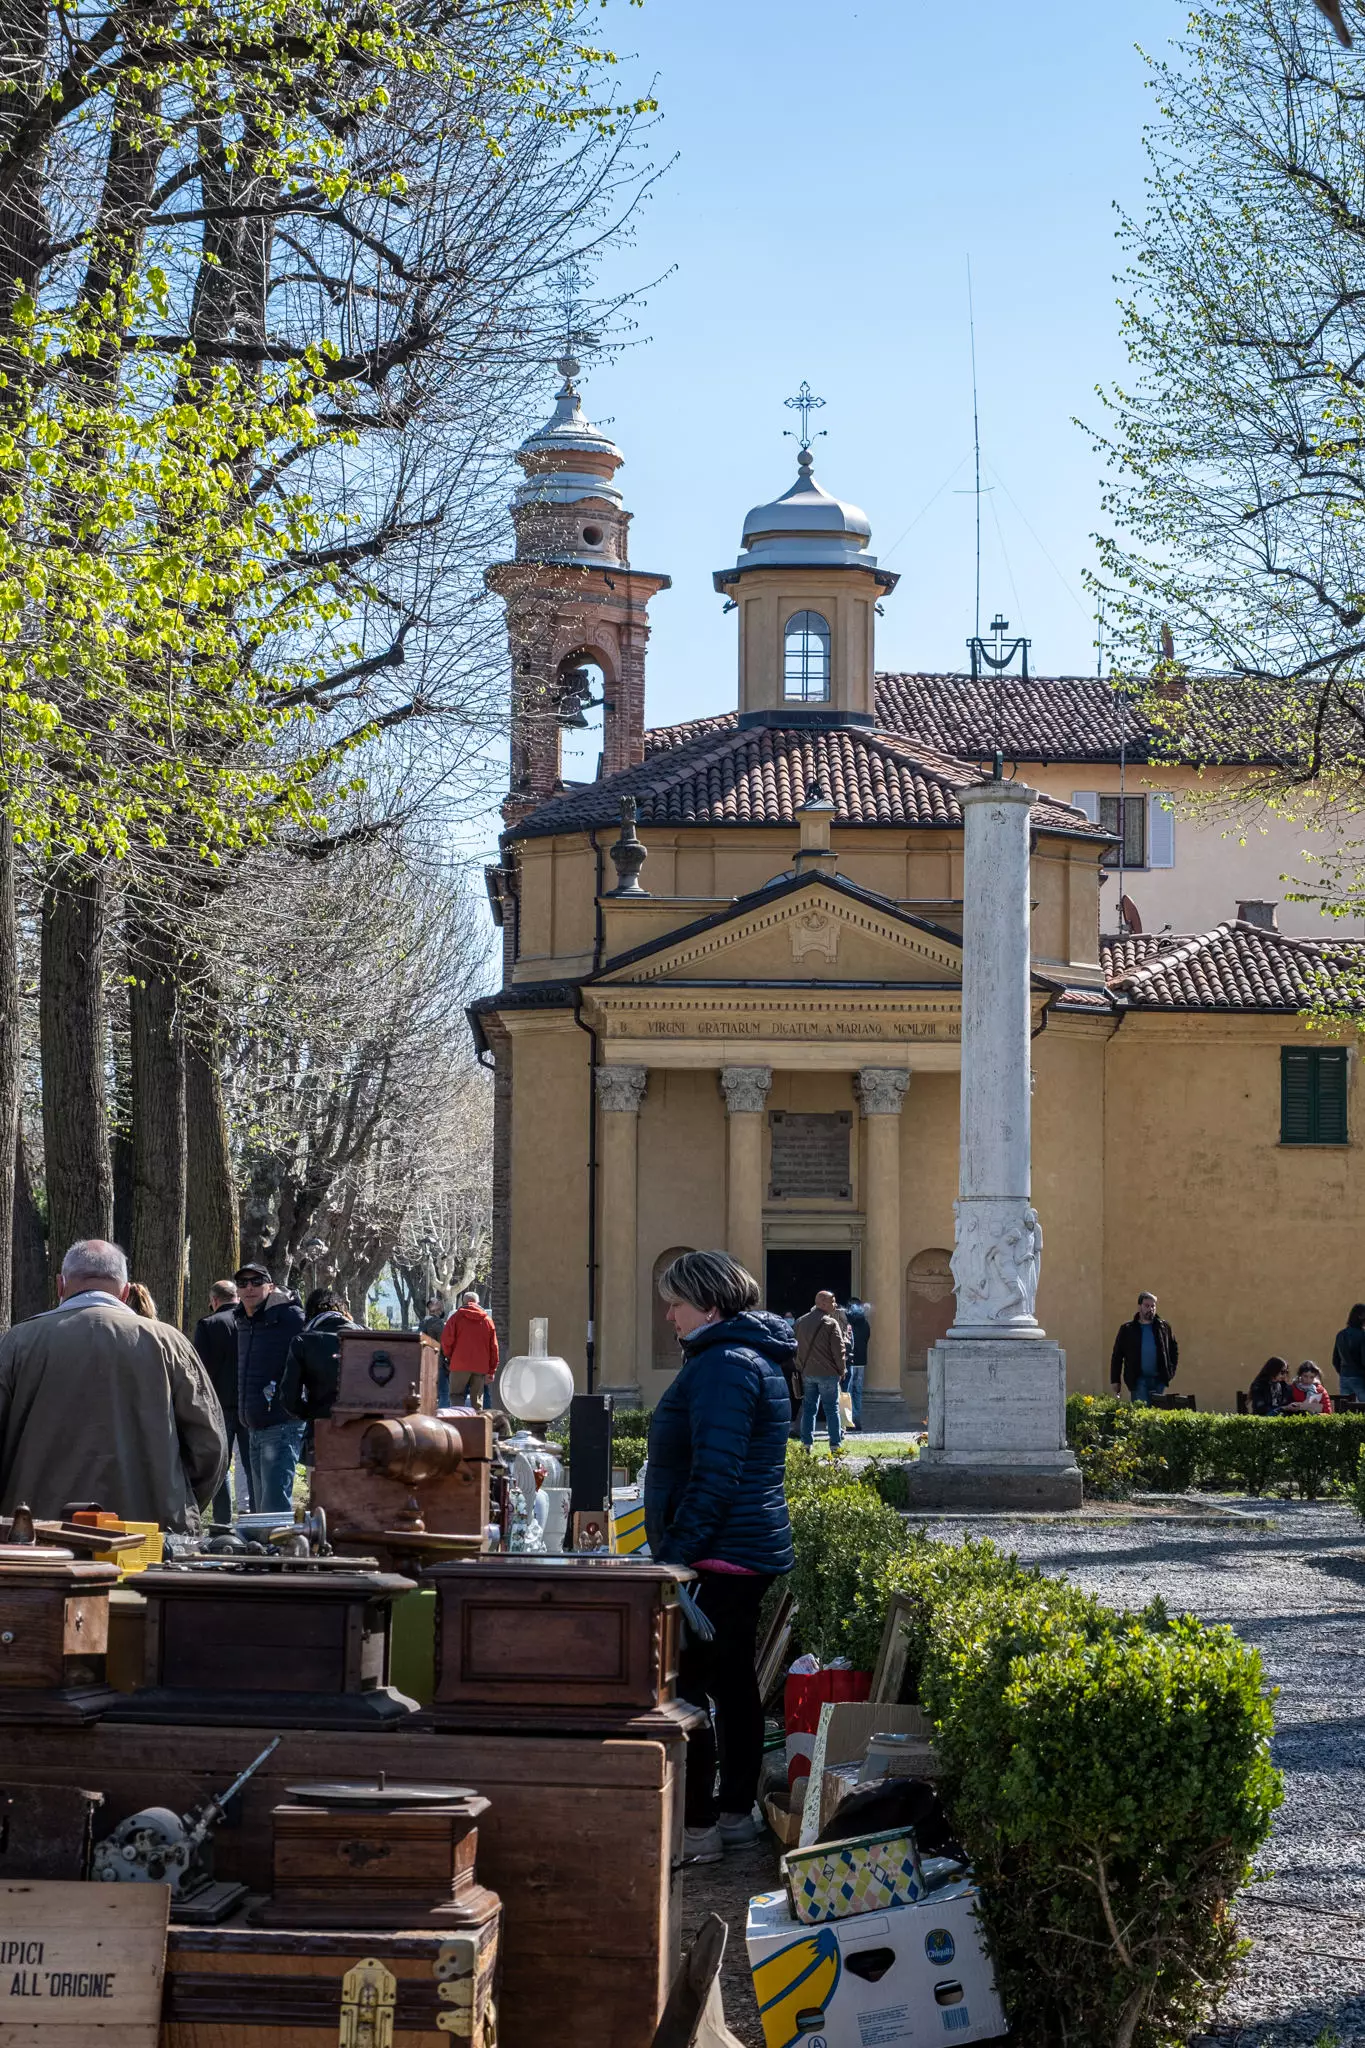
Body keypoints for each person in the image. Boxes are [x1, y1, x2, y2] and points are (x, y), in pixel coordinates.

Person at [645, 1250, 795, 1867]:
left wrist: (678, 1557)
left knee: (690, 1690)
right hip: (742, 1550)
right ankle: (732, 1815)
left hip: (718, 1555)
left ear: (709, 1305)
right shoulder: (744, 1356)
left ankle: (698, 1827)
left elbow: (716, 1473)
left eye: (676, 1304)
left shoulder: (723, 1365)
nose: (669, 1316)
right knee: (732, 1686)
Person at [0, 1239, 226, 1530]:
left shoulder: (17, 1343)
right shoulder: (167, 1343)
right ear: (126, 1291)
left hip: (36, 1531)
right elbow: (210, 1444)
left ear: (60, 1285)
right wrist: (179, 1501)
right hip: (150, 1531)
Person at [234, 1261, 306, 1513]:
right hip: (253, 1424)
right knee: (261, 1505)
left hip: (281, 1422)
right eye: (243, 1283)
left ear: (270, 1286)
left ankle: (279, 1549)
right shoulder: (242, 1319)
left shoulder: (290, 1317)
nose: (249, 1288)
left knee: (273, 1505)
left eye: (256, 1282)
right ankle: (266, 1547)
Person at [193, 1279, 250, 1522]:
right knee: (252, 1466)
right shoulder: (251, 1320)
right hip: (249, 1403)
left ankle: (222, 1521)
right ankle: (255, 1520)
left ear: (214, 1300)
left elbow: (200, 1370)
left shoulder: (208, 1324)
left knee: (220, 1467)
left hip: (219, 1405)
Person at [280, 1289, 354, 1429]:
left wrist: (310, 1413)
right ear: (343, 1309)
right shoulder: (365, 1334)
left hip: (321, 1427)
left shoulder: (303, 1341)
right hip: (364, 1429)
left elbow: (289, 1397)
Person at [793, 1289, 847, 1451]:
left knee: (809, 1409)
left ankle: (806, 1443)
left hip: (808, 1372)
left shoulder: (800, 1322)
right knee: (831, 1409)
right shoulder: (831, 1323)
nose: (835, 1304)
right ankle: (835, 1445)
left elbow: (795, 1347)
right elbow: (839, 1350)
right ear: (822, 1303)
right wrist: (842, 1370)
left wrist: (801, 1367)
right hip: (828, 1373)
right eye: (832, 1301)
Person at [1110, 1291, 1178, 1405]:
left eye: (1153, 1306)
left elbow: (1173, 1350)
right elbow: (1117, 1356)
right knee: (1142, 1416)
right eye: (1147, 1306)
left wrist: (1170, 1372)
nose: (1150, 1309)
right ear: (1139, 1307)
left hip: (1158, 1379)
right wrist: (1115, 1380)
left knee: (1157, 1417)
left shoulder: (1163, 1327)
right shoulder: (1128, 1329)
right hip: (1138, 1380)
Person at [439, 1290, 499, 1410]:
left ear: (463, 1302)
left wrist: (451, 1356)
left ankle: (459, 1425)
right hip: (480, 1366)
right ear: (478, 1302)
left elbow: (446, 1341)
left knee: (456, 1396)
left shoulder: (455, 1318)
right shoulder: (487, 1320)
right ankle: (477, 1426)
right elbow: (494, 1347)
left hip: (459, 1364)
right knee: (477, 1401)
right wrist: (491, 1370)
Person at [844, 1299, 871, 1432]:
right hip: (861, 1362)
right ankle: (856, 1420)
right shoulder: (865, 1324)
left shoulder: (847, 1324)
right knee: (857, 1392)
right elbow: (866, 1339)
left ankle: (848, 1421)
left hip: (849, 1362)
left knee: (847, 1392)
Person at [1333, 1304, 1365, 1405]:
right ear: (1361, 1316)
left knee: (1346, 1410)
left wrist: (1343, 1372)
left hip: (1344, 1376)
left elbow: (1335, 1360)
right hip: (1360, 1377)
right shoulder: (1362, 1335)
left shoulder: (1340, 1334)